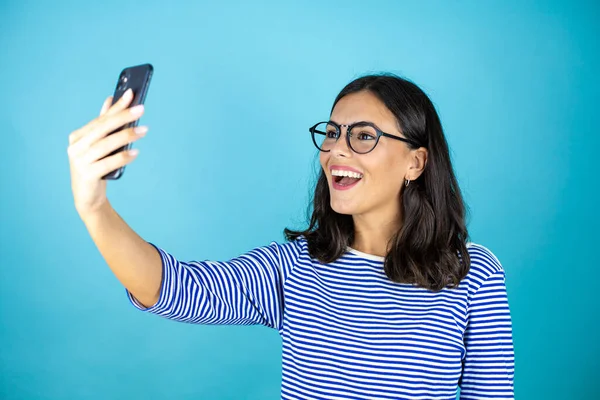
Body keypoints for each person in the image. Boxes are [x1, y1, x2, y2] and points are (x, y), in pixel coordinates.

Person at [68, 73, 515, 400]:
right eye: (334, 132)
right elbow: (175, 288)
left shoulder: (472, 274)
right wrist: (94, 208)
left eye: (364, 136)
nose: (337, 148)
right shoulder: (295, 266)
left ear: (415, 163)